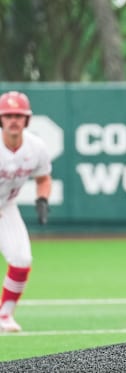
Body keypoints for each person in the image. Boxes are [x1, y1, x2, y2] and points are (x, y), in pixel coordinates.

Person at [0, 91, 52, 333]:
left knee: (22, 261)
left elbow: (43, 178)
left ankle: (4, 315)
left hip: (5, 208)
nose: (13, 120)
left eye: (18, 116)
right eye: (8, 115)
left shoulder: (36, 147)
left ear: (27, 120)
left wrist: (42, 199)